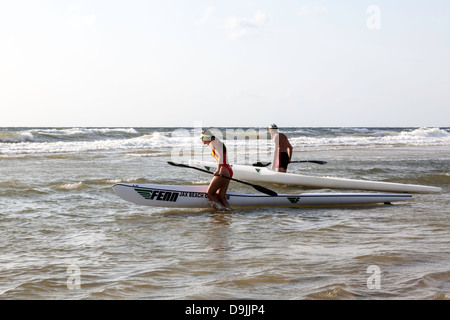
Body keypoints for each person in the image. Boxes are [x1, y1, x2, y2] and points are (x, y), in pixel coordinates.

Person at [200, 129, 233, 209]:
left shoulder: (213, 143)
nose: (201, 139)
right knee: (221, 196)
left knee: (210, 193)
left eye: (202, 137)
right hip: (228, 170)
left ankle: (220, 212)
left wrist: (218, 170)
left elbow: (221, 157)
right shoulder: (216, 143)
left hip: (223, 170)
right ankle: (229, 212)